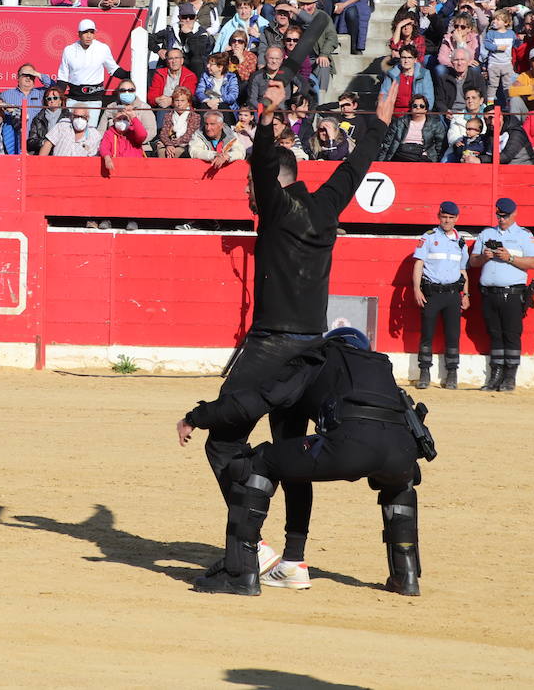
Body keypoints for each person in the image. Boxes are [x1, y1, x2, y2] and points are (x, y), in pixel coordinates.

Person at [185, 81, 396, 591]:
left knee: (222, 440)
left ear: (271, 184)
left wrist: (266, 115)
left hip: (270, 347)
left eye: (252, 188)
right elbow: (355, 167)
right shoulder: (325, 208)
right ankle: (295, 562)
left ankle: (249, 546)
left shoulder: (277, 207)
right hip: (311, 350)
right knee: (293, 448)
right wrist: (380, 125)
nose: (249, 194)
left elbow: (261, 159)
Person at [183, 326, 431, 596]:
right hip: (401, 453)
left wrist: (199, 417)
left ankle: (242, 571)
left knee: (257, 462)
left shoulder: (319, 356)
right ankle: (405, 577)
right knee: (400, 485)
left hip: (348, 447)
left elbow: (259, 400)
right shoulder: (382, 368)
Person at [469, 198, 534, 392]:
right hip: (490, 293)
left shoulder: (524, 235)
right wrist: (484, 257)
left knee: (511, 334)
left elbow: (533, 263)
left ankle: (510, 376)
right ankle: (496, 375)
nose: (501, 220)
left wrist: (510, 258)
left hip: (513, 293)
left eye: (505, 216)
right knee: (494, 334)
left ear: (514, 214)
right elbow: (473, 262)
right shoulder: (486, 233)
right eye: (499, 216)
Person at [412, 202, 469, 390]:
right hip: (432, 293)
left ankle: (452, 373)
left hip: (453, 294)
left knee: (453, 335)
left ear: (457, 219)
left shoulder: (461, 241)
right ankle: (424, 372)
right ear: (439, 216)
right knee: (427, 333)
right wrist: (416, 289)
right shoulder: (428, 237)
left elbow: (463, 270)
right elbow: (419, 264)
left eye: (451, 218)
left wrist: (466, 294)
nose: (447, 221)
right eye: (444, 217)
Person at [56, 18, 132, 112]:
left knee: (91, 127)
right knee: (72, 126)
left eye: (91, 32)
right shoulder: (69, 50)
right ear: (79, 34)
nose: (89, 36)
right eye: (85, 32)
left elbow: (113, 69)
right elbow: (63, 77)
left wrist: (132, 75)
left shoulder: (102, 48)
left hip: (95, 99)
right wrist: (57, 98)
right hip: (73, 98)